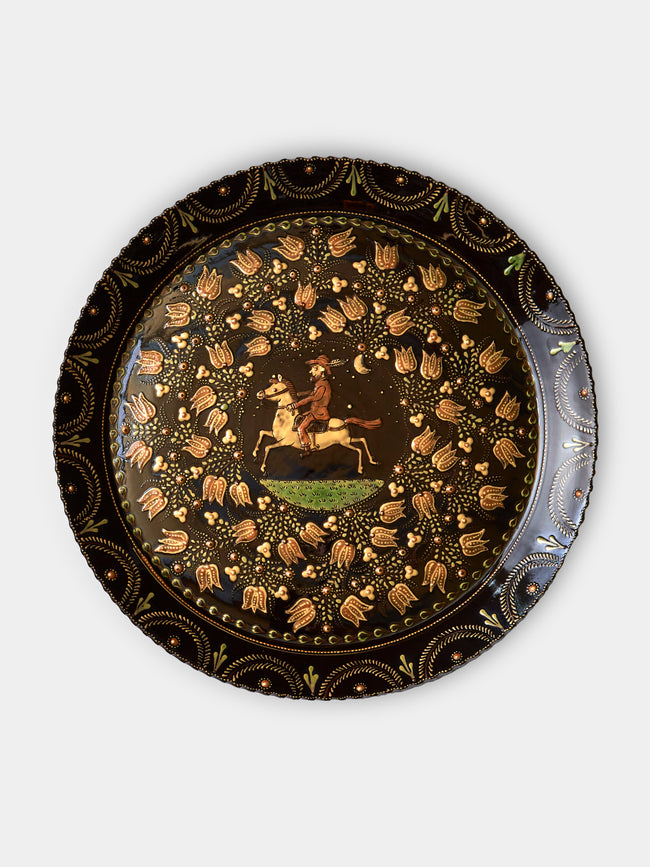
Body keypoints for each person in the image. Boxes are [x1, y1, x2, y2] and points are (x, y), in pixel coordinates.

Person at [289, 355, 333, 456]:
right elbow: (312, 393)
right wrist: (300, 394)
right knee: (299, 418)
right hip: (314, 412)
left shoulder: (323, 385)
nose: (311, 371)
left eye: (314, 369)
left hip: (319, 414)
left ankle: (307, 449)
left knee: (301, 428)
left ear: (322, 369)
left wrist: (296, 405)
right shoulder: (320, 383)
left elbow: (313, 398)